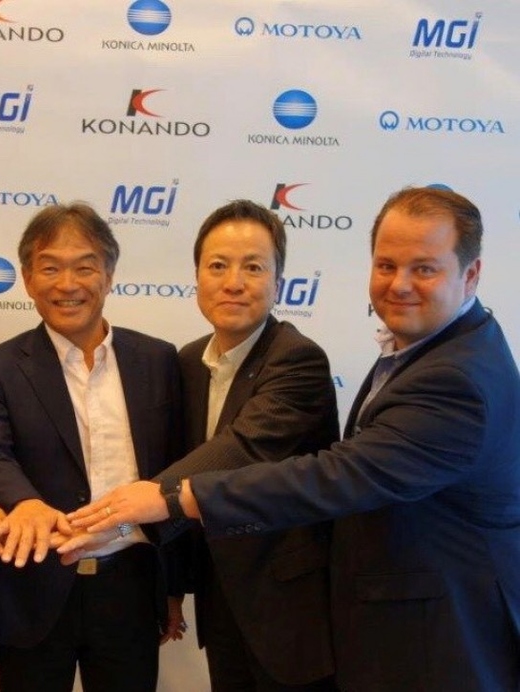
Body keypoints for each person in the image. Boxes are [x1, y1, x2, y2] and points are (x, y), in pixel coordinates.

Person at [64, 186, 520, 691]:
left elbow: (330, 471)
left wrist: (168, 498)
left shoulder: (453, 376)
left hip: (431, 632)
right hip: (276, 604)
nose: (400, 284)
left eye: (425, 269)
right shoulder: (418, 349)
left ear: (470, 274)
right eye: (386, 265)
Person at [0, 202, 185, 692]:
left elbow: (177, 471)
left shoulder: (158, 360)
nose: (68, 284)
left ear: (109, 275)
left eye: (85, 267)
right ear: (27, 279)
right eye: (50, 268)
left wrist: (175, 586)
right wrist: (25, 503)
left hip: (131, 583)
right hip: (33, 586)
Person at [164, 200, 339, 691]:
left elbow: (239, 450)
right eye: (218, 265)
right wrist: (171, 584)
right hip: (220, 595)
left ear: (278, 282)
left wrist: (137, 506)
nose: (234, 282)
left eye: (254, 267)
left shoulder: (298, 359)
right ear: (197, 276)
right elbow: (181, 461)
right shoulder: (187, 362)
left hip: (288, 603)